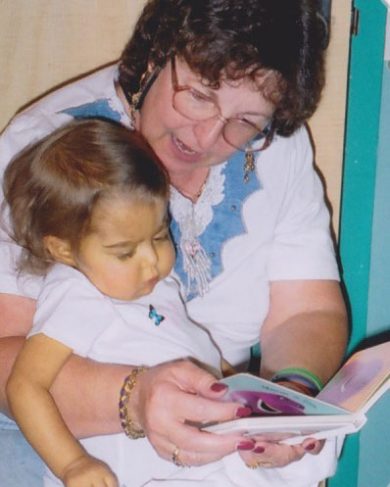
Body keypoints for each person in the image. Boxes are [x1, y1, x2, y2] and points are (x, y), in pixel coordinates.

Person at [0, 1, 349, 486]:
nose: (207, 136)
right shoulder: (51, 154)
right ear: (155, 54)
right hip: (73, 430)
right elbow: (7, 360)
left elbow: (307, 312)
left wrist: (283, 401)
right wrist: (135, 399)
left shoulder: (278, 149)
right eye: (200, 96)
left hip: (220, 415)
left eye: (246, 121)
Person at [4, 118, 225, 487]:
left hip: (192, 461)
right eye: (124, 252)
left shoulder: (152, 285)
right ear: (63, 249)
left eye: (158, 236)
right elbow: (24, 386)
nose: (151, 261)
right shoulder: (78, 292)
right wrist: (73, 464)